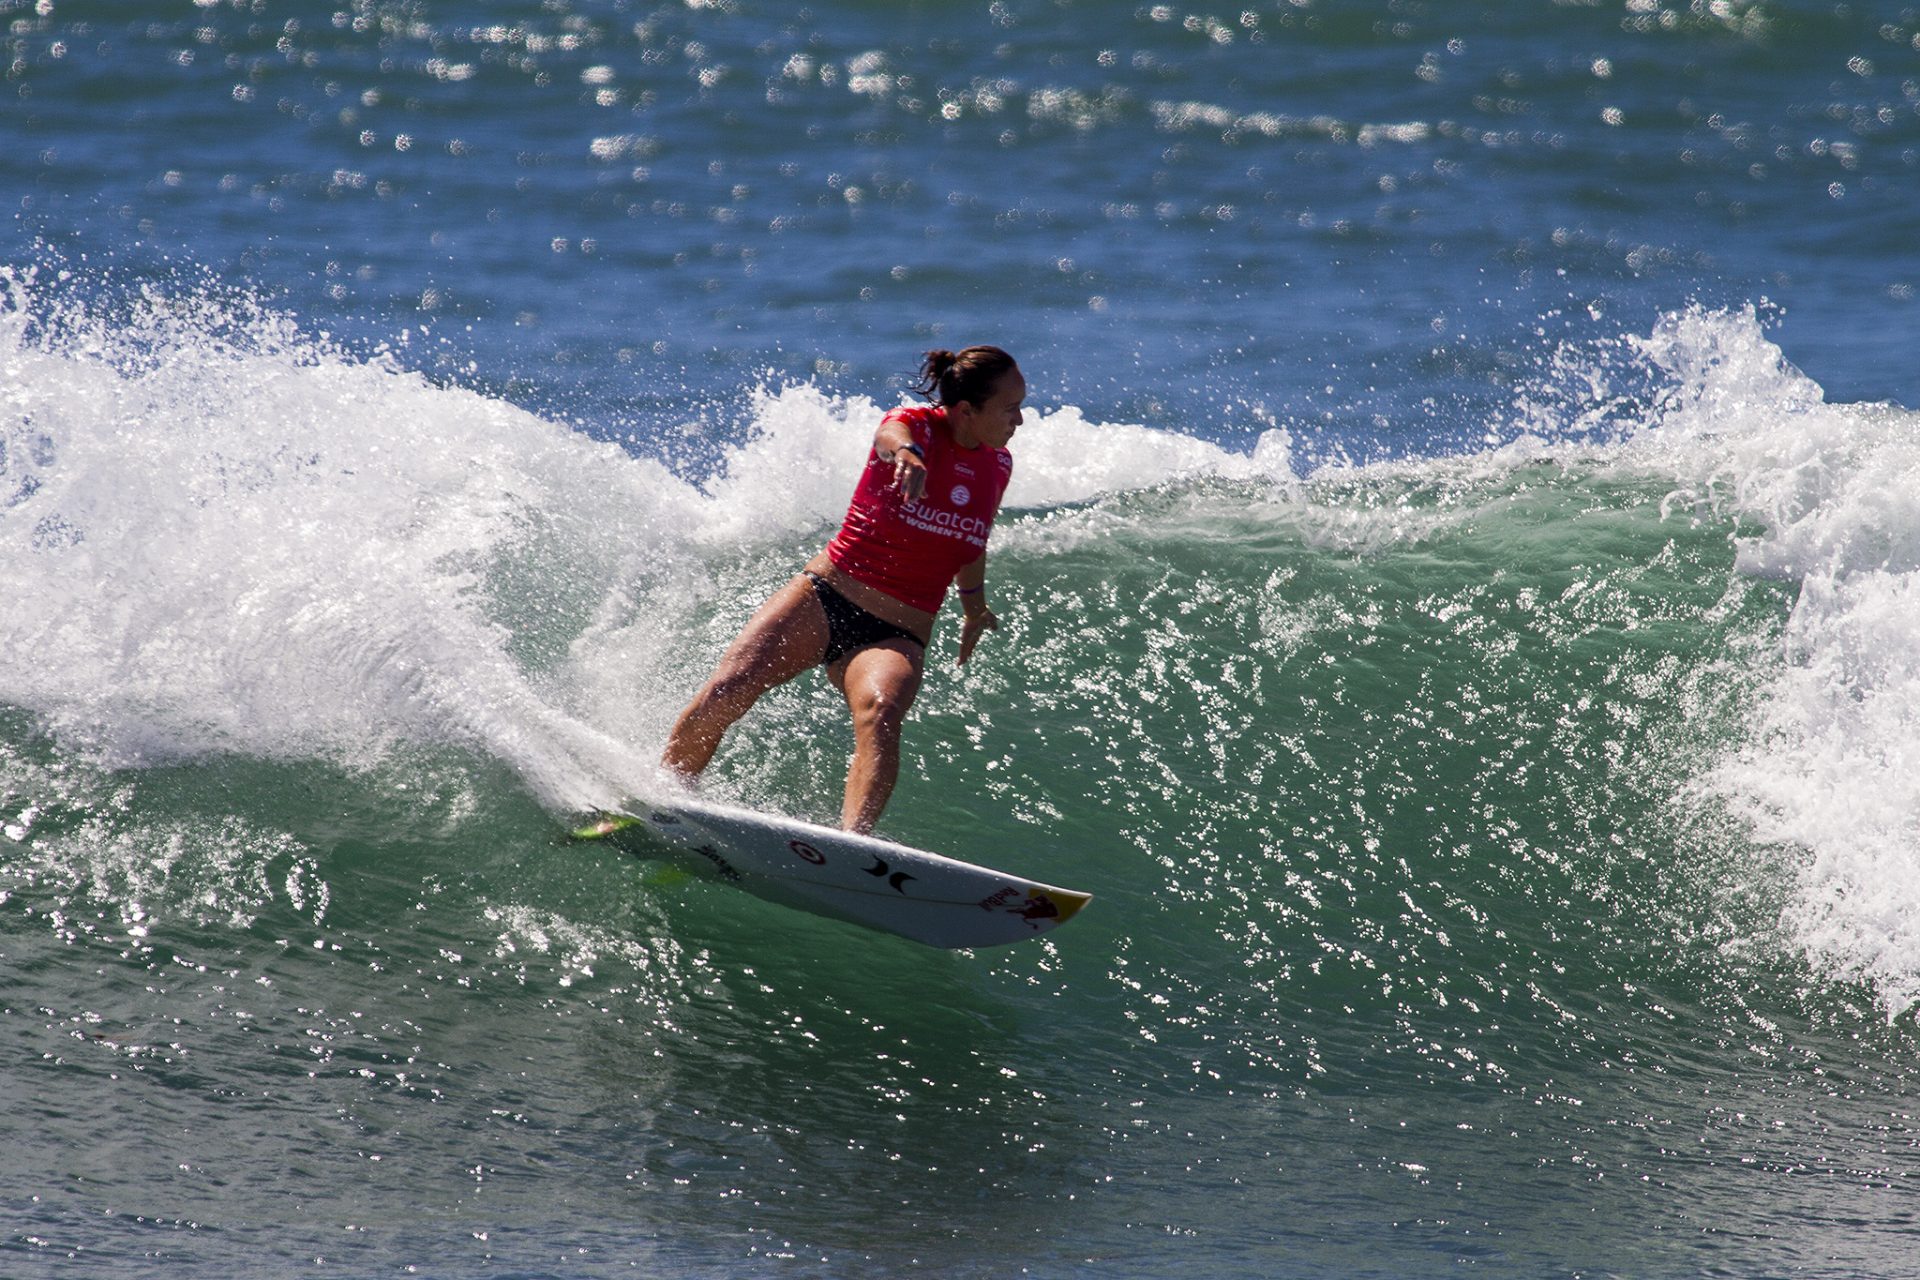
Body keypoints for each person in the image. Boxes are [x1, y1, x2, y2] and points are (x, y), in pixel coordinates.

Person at [660, 346, 1026, 834]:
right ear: (965, 411)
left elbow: (971, 539)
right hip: (826, 597)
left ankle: (851, 850)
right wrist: (906, 454)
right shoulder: (915, 426)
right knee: (728, 689)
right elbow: (887, 434)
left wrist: (974, 608)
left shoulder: (997, 466)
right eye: (1010, 407)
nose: (1020, 419)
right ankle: (663, 799)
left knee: (882, 713)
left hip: (899, 628)